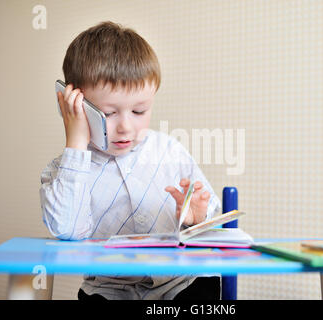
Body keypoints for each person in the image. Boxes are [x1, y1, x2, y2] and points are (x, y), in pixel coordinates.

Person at [39, 21, 222, 300]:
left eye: (139, 111)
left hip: (180, 283)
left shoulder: (169, 151)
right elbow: (68, 231)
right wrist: (76, 143)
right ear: (76, 106)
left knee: (206, 287)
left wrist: (196, 218)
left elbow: (212, 220)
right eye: (109, 113)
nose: (126, 127)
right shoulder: (65, 170)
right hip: (108, 290)